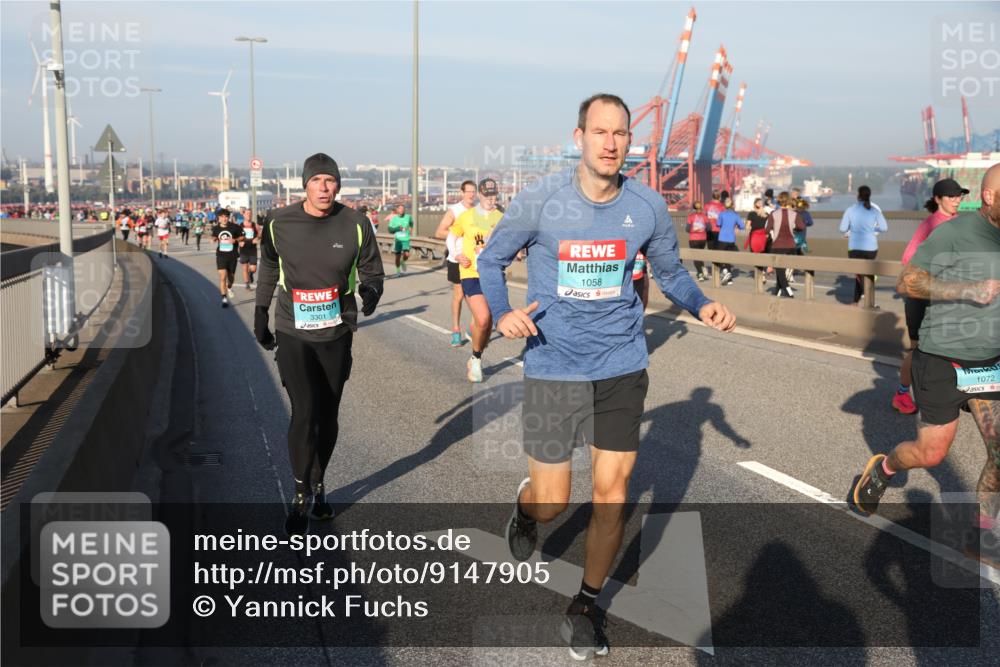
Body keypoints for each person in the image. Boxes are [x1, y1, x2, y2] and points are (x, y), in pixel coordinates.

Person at [477, 94, 736, 660]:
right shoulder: (542, 200)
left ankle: (587, 604)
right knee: (553, 502)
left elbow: (670, 272)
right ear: (580, 137)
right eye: (601, 132)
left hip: (621, 364)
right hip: (552, 365)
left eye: (621, 134)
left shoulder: (645, 207)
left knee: (611, 496)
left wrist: (702, 305)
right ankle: (527, 510)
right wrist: (502, 313)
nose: (612, 143)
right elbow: (490, 260)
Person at [850, 164, 1000, 565]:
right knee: (930, 454)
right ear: (989, 197)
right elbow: (907, 282)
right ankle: (884, 469)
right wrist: (968, 289)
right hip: (942, 361)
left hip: (988, 364)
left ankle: (982, 537)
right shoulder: (954, 233)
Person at [254, 153, 384, 536]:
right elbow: (268, 267)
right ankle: (299, 493)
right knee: (305, 411)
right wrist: (260, 314)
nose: (324, 188)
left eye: (330, 181)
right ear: (305, 185)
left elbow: (372, 268)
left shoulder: (356, 223)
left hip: (336, 332)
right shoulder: (278, 222)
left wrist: (371, 289)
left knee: (328, 416)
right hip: (293, 330)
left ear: (338, 185)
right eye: (317, 181)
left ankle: (319, 481)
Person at [892, 178, 968, 415]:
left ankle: (963, 393)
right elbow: (908, 260)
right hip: (922, 298)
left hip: (948, 297)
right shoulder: (930, 225)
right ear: (938, 199)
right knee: (917, 351)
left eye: (959, 195)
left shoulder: (960, 223)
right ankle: (902, 394)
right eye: (951, 196)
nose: (957, 200)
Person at [448, 178, 503, 382]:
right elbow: (451, 237)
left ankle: (478, 348)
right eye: (487, 194)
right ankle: (476, 359)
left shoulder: (501, 218)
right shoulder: (468, 216)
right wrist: (456, 254)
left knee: (488, 323)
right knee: (482, 318)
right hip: (471, 273)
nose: (490, 198)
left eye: (494, 194)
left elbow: (509, 245)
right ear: (480, 195)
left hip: (493, 275)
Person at [435, 180, 477, 346]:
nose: (471, 195)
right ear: (462, 192)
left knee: (475, 296)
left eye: (474, 192)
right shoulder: (455, 210)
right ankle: (456, 330)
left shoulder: (478, 211)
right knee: (459, 295)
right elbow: (439, 232)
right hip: (456, 258)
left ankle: (473, 328)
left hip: (473, 259)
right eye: (468, 191)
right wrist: (459, 234)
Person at [840, 185, 888, 305]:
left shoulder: (850, 210)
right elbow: (884, 228)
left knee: (859, 273)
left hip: (854, 248)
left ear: (858, 196)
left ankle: (867, 298)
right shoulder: (874, 210)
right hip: (871, 248)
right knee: (862, 274)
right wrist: (871, 229)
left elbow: (842, 228)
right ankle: (857, 300)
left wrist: (854, 228)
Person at [764, 191, 805, 298]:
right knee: (780, 272)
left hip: (778, 246)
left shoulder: (774, 214)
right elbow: (802, 227)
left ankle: (788, 291)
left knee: (780, 271)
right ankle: (776, 292)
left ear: (779, 200)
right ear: (789, 201)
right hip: (791, 246)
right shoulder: (795, 214)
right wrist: (793, 227)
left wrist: (774, 228)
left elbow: (767, 230)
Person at [212, 208, 241, 308]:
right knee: (222, 277)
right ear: (218, 218)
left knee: (231, 277)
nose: (224, 218)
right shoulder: (216, 228)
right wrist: (214, 239)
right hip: (221, 255)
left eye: (226, 216)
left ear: (228, 217)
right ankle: (224, 298)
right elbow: (213, 236)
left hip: (232, 255)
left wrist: (236, 240)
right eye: (222, 217)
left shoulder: (235, 227)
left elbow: (243, 237)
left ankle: (229, 287)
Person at [715, 197, 744, 285]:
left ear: (725, 205)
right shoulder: (736, 215)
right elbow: (742, 226)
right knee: (728, 258)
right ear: (732, 205)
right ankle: (729, 279)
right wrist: (736, 226)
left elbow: (718, 224)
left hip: (722, 238)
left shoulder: (722, 214)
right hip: (731, 239)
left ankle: (726, 273)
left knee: (719, 258)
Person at [744, 198, 770, 279]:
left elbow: (747, 226)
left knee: (756, 255)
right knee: (763, 254)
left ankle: (760, 273)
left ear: (754, 205)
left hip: (755, 236)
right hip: (764, 236)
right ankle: (762, 273)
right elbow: (768, 227)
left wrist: (747, 230)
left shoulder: (751, 214)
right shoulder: (767, 214)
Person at [386, 203, 414, 275]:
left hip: (406, 239)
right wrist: (398, 228)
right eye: (400, 209)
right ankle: (398, 271)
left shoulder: (408, 217)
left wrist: (411, 229)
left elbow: (411, 223)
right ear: (397, 210)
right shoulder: (394, 219)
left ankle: (403, 261)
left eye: (403, 209)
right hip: (398, 240)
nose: (402, 210)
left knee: (407, 255)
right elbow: (389, 229)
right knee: (397, 256)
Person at [686, 202, 709, 281]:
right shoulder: (705, 217)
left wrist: (695, 230)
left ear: (694, 208)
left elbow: (687, 229)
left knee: (696, 257)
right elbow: (709, 228)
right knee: (700, 255)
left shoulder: (690, 217)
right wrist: (702, 229)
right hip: (703, 239)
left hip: (693, 239)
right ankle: (703, 268)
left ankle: (700, 274)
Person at [239, 214, 261, 290]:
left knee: (253, 269)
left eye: (250, 214)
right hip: (243, 249)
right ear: (244, 215)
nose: (249, 215)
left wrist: (257, 238)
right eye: (247, 214)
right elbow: (235, 235)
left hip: (252, 249)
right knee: (245, 268)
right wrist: (239, 242)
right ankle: (247, 284)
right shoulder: (240, 225)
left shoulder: (255, 225)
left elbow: (260, 234)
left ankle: (250, 274)